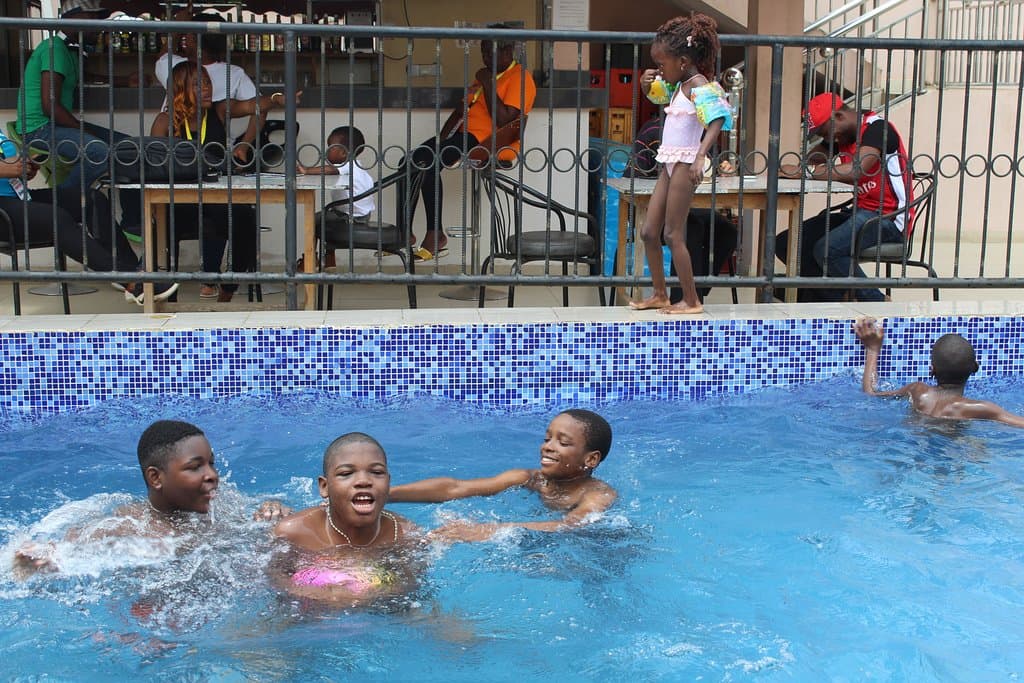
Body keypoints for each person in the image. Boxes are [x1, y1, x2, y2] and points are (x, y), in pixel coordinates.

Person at [11, 420, 289, 578]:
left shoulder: (222, 502)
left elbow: (255, 520)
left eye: (211, 464)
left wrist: (271, 509)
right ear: (156, 478)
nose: (213, 475)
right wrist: (42, 559)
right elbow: (68, 551)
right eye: (195, 467)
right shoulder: (127, 525)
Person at [400, 23, 536, 262]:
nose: (484, 58)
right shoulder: (485, 76)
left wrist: (487, 82)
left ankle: (435, 235)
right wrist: (440, 140)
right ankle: (405, 233)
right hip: (462, 137)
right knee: (410, 160)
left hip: (486, 143)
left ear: (508, 51)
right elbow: (461, 111)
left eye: (489, 52)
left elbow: (505, 119)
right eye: (483, 52)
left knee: (429, 162)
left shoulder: (520, 78)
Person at [150, 62, 282, 302]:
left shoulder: (219, 111)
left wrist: (274, 98)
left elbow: (253, 105)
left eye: (208, 83)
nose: (208, 89)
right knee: (164, 226)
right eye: (198, 84)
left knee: (244, 219)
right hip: (180, 202)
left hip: (216, 197)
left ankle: (228, 288)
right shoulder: (164, 121)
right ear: (181, 89)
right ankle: (167, 295)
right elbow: (155, 165)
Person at [0, 127, 178, 305]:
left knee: (91, 199)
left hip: (20, 198)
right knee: (57, 217)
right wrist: (5, 170)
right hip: (3, 213)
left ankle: (133, 272)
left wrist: (24, 169)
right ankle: (133, 283)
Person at [629, 13, 733, 314]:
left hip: (686, 163)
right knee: (649, 232)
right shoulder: (679, 86)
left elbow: (717, 119)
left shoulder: (699, 84)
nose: (660, 69)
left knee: (673, 234)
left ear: (684, 61)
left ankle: (691, 299)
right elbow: (658, 96)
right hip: (669, 162)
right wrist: (645, 84)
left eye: (662, 64)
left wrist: (701, 155)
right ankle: (660, 294)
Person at [389, 409, 616, 543]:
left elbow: (573, 526)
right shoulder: (530, 479)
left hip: (593, 547)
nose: (548, 447)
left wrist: (482, 530)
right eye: (547, 439)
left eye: (563, 442)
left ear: (591, 460)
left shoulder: (598, 494)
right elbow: (456, 488)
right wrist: (387, 494)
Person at [16, 0, 142, 235]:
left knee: (129, 148)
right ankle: (60, 207)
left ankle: (132, 220)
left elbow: (86, 77)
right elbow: (49, 106)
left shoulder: (71, 51)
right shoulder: (54, 48)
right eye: (92, 19)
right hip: (39, 128)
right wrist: (84, 131)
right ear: (70, 20)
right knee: (99, 151)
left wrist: (125, 81)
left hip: (56, 124)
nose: (99, 26)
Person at [778, 94, 914, 302]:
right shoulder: (841, 136)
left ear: (839, 116)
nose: (830, 140)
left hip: (889, 218)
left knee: (826, 250)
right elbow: (811, 162)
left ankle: (876, 302)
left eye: (826, 133)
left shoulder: (877, 129)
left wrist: (805, 171)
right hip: (860, 213)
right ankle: (836, 298)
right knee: (787, 242)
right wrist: (795, 169)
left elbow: (855, 171)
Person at [272, 432, 420, 605]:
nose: (363, 481)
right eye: (346, 473)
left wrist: (370, 595)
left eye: (376, 472)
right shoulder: (293, 532)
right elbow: (270, 578)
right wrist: (316, 595)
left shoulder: (403, 534)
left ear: (388, 483)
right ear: (324, 487)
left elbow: (413, 588)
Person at [854, 316, 1024, 426]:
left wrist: (872, 349)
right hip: (952, 453)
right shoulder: (978, 408)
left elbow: (871, 393)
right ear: (975, 368)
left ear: (932, 370)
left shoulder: (916, 391)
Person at [296, 125, 376, 270]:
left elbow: (330, 170)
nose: (326, 152)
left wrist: (306, 170)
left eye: (331, 148)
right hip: (360, 214)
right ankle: (329, 258)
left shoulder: (347, 165)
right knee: (324, 217)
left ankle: (309, 260)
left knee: (314, 219)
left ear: (345, 153)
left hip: (351, 217)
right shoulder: (358, 166)